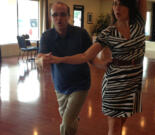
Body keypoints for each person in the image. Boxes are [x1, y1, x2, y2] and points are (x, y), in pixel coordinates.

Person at [42, 0, 147, 135]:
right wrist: (60, 59)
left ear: (130, 5)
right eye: (114, 4)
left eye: (121, 4)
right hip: (114, 82)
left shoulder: (139, 23)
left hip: (134, 82)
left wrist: (101, 64)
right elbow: (85, 56)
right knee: (114, 127)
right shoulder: (108, 33)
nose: (117, 8)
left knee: (121, 122)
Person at [35, 1, 92, 135]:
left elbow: (91, 56)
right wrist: (41, 61)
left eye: (62, 15)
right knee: (70, 119)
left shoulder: (81, 34)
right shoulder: (47, 36)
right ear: (50, 17)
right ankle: (74, 118)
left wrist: (104, 63)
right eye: (55, 15)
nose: (58, 18)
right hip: (60, 86)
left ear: (69, 16)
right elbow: (39, 58)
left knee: (66, 123)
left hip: (80, 84)